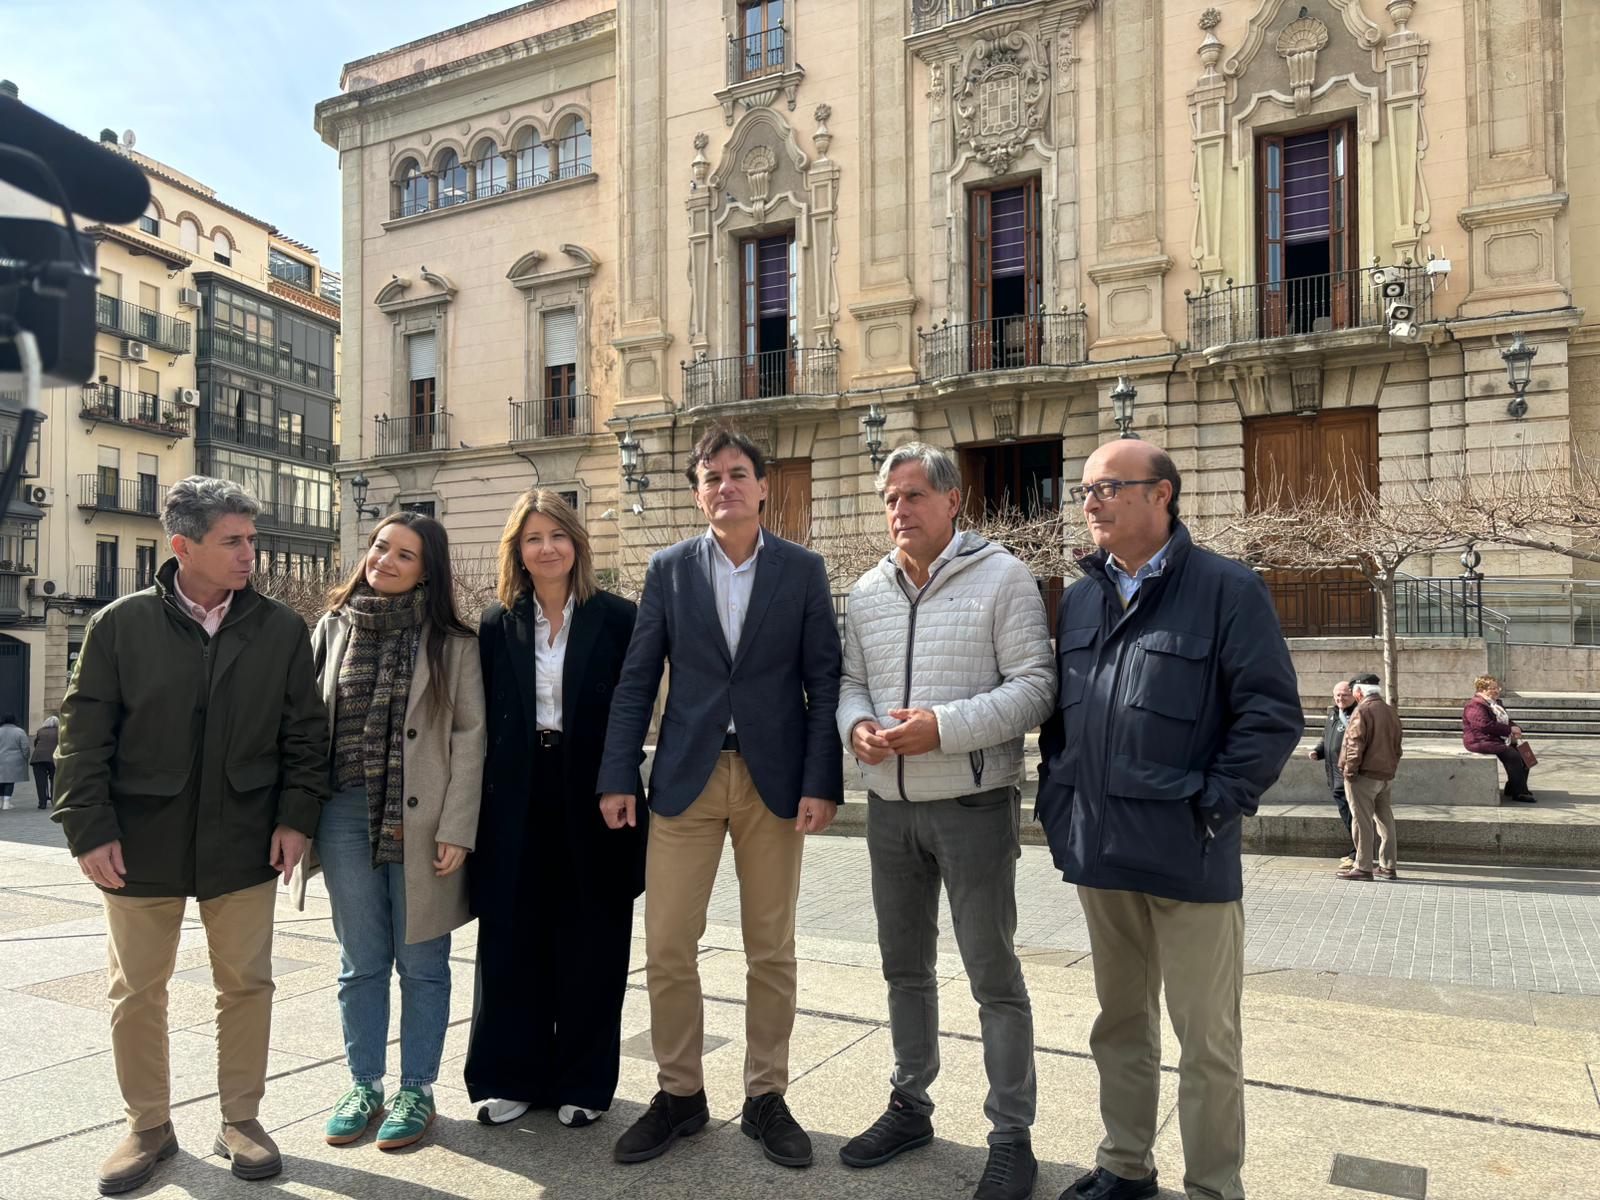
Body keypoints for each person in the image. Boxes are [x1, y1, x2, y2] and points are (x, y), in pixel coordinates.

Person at [1037, 441, 1301, 1200]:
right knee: (1118, 1025)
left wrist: (1213, 805)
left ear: (1162, 496)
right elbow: (1065, 716)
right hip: (1102, 852)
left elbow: (1272, 714)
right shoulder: (1082, 596)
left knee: (1206, 1043)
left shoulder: (1228, 589)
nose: (1090, 502)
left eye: (1109, 487)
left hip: (1191, 854)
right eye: (1084, 489)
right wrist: (1061, 798)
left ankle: (1214, 1187)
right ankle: (1125, 1166)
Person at [52, 476, 329, 1195]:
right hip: (138, 842)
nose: (250, 554)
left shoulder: (280, 629)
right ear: (184, 547)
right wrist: (88, 831)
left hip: (245, 840)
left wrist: (297, 818)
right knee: (136, 991)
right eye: (233, 541)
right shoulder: (118, 626)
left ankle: (242, 1119)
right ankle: (147, 1126)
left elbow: (307, 736)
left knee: (247, 985)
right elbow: (83, 740)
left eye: (251, 539)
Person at [597, 426, 842, 1170]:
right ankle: (680, 1094)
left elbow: (824, 679)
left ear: (764, 486)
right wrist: (617, 773)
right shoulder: (668, 568)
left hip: (772, 779)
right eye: (710, 477)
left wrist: (820, 780)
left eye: (738, 474)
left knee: (772, 949)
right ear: (697, 491)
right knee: (668, 945)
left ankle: (766, 1096)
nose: (724, 486)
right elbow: (639, 677)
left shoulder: (802, 571)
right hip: (685, 780)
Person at [835, 443, 1055, 1200]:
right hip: (888, 812)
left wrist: (944, 727)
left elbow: (1036, 688)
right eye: (890, 499)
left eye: (913, 497)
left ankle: (1011, 1135)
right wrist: (855, 726)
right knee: (904, 970)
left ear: (953, 500)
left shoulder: (1004, 578)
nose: (899, 511)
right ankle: (910, 1104)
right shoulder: (866, 591)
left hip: (972, 807)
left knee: (993, 976)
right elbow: (849, 683)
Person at [293, 511, 485, 1151]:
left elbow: (470, 740)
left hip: (424, 817)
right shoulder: (331, 628)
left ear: (427, 568)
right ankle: (364, 1083)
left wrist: (458, 825)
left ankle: (417, 1090)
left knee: (423, 960)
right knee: (360, 960)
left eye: (405, 554)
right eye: (380, 548)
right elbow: (304, 728)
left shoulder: (454, 642)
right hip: (344, 811)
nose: (387, 560)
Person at [465, 490, 647, 1130]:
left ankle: (584, 1081)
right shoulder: (495, 622)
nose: (547, 548)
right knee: (513, 935)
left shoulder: (619, 617)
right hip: (514, 791)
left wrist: (622, 777)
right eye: (533, 538)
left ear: (577, 544)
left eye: (558, 535)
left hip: (597, 788)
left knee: (593, 935)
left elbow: (636, 709)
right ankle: (510, 1077)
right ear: (518, 549)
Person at [1336, 676, 1402, 881]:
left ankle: (1363, 866)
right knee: (1385, 821)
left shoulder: (1362, 710)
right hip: (1385, 775)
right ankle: (1388, 866)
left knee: (1361, 821)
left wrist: (1349, 771)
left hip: (1364, 775)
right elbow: (1397, 745)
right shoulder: (1390, 710)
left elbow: (1355, 743)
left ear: (1359, 692)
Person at [1306, 680, 1359, 868]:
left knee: (1353, 817)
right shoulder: (1333, 713)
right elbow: (1327, 738)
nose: (1340, 698)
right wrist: (1318, 751)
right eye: (1337, 695)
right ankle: (1356, 851)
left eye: (1344, 695)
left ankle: (1358, 854)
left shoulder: (1356, 714)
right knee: (1347, 816)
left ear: (1353, 695)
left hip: (1347, 775)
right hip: (1334, 776)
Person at [1463, 675, 1535, 803]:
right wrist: (1509, 730)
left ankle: (1512, 787)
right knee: (1512, 756)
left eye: (1498, 687)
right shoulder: (1475, 704)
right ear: (1482, 689)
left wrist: (1516, 728)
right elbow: (1484, 725)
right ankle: (1520, 793)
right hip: (1480, 740)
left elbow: (1506, 720)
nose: (1497, 690)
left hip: (1496, 739)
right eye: (1493, 688)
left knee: (1525, 756)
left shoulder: (1496, 703)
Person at [0, 714, 28, 809]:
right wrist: (25, 757)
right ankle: (6, 803)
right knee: (10, 781)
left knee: (1, 780)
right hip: (14, 760)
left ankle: (1, 802)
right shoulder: (19, 731)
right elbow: (25, 747)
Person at [30, 714, 58, 810]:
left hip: (38, 758)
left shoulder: (40, 731)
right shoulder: (60, 731)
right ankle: (55, 801)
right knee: (55, 779)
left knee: (40, 781)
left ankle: (42, 803)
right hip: (53, 758)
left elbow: (35, 744)